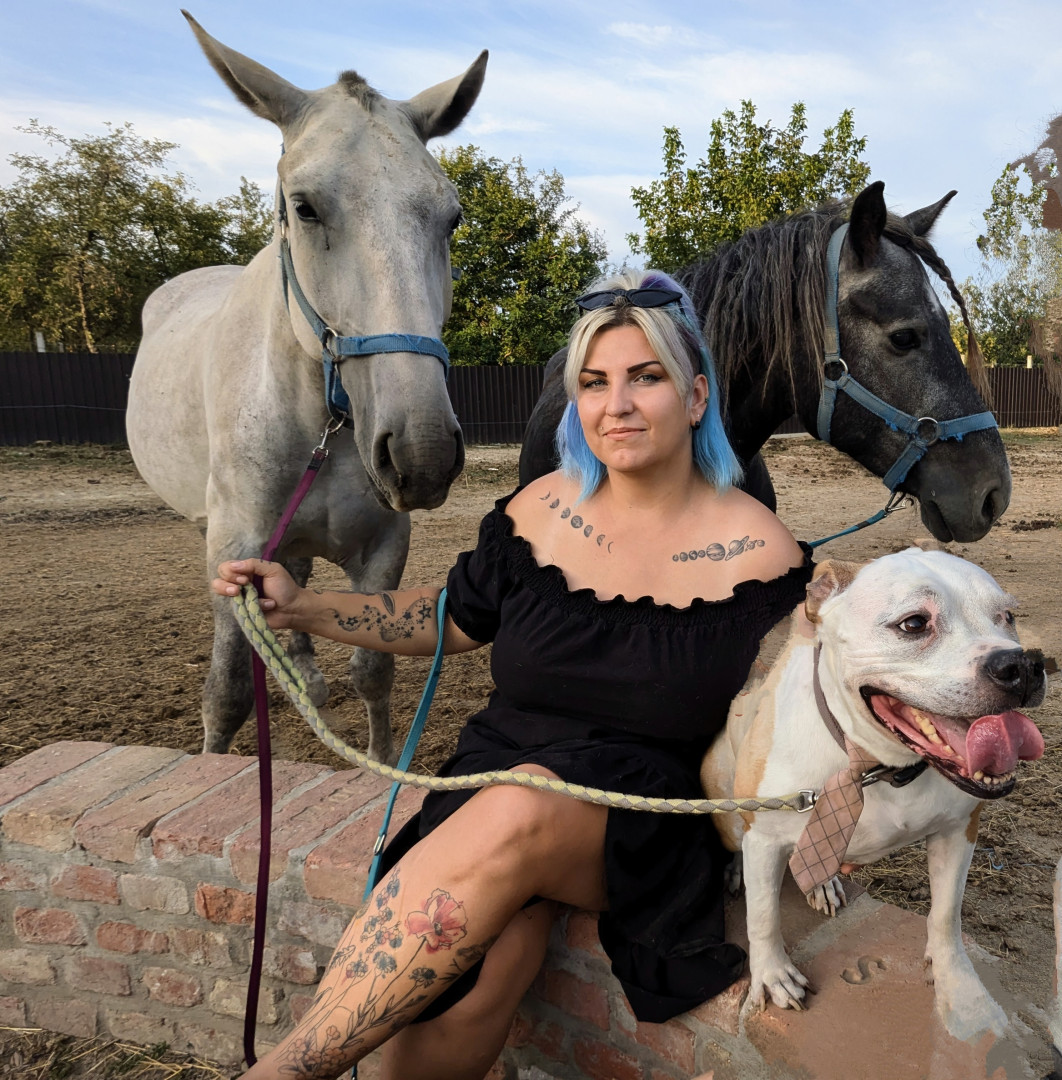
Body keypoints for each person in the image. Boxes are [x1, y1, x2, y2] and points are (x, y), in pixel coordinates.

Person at [213, 268, 813, 1080]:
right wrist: (305, 607)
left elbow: (796, 710)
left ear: (696, 396)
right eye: (593, 383)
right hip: (493, 780)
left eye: (646, 377)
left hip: (636, 817)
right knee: (468, 983)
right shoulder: (538, 511)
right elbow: (451, 620)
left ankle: (281, 1072)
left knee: (524, 801)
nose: (617, 405)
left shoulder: (761, 552)